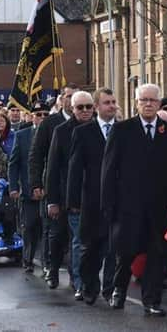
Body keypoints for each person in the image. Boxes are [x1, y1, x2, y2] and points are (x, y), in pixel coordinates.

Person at [101, 83, 167, 317]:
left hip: (159, 209)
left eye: (152, 100)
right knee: (125, 252)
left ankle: (152, 300)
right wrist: (109, 206)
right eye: (143, 100)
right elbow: (109, 171)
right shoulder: (122, 130)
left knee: (158, 255)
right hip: (128, 207)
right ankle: (118, 289)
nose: (148, 104)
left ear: (159, 104)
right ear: (136, 103)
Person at [67, 88, 117, 305]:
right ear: (97, 107)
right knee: (91, 248)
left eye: (114, 102)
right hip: (91, 201)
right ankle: (89, 285)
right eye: (107, 102)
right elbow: (75, 169)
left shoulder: (123, 130)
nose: (112, 106)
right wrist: (73, 201)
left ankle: (110, 289)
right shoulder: (83, 132)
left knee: (114, 249)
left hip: (118, 201)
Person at [45, 91, 95, 296]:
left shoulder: (101, 128)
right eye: (80, 107)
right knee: (77, 240)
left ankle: (93, 280)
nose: (85, 111)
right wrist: (53, 200)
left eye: (88, 107)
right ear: (72, 109)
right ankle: (78, 281)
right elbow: (53, 167)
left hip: (97, 195)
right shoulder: (61, 131)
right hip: (71, 196)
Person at [29, 84, 79, 279]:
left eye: (74, 96)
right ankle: (52, 268)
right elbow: (36, 155)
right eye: (68, 96)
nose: (71, 100)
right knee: (56, 233)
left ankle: (77, 278)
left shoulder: (87, 122)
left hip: (78, 189)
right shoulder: (50, 123)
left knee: (77, 237)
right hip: (55, 186)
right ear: (61, 100)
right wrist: (36, 184)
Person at [9, 100, 49, 273]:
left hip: (48, 190)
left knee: (47, 229)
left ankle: (48, 262)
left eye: (45, 115)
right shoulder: (22, 135)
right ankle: (28, 259)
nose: (42, 118)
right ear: (32, 116)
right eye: (38, 115)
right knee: (29, 226)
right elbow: (14, 163)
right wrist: (14, 187)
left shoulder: (54, 133)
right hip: (28, 190)